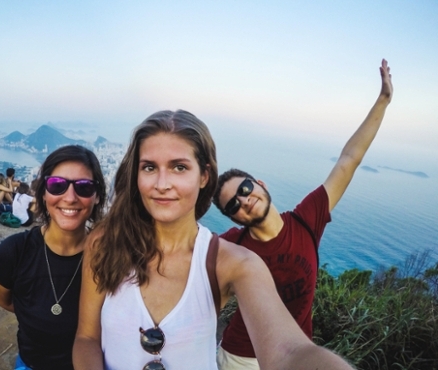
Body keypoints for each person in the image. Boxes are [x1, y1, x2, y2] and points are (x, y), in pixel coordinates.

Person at [73, 110, 354, 369]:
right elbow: (87, 338)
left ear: (204, 175)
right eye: (149, 168)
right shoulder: (105, 243)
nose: (161, 184)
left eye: (179, 167)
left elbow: (289, 352)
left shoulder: (232, 263)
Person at [211, 59, 393, 369]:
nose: (243, 201)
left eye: (244, 188)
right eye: (232, 206)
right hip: (241, 357)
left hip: (296, 353)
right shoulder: (232, 244)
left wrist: (383, 100)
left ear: (259, 183)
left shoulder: (307, 219)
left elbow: (349, 159)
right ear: (233, 218)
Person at [0, 145, 107, 370]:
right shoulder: (14, 252)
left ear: (97, 196)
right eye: (57, 185)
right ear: (43, 192)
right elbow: (5, 300)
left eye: (84, 187)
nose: (70, 198)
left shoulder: (108, 257)